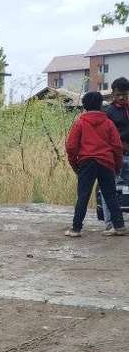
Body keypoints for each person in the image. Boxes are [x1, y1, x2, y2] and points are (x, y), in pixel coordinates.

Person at [64, 91, 125, 237]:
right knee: (110, 195)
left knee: (83, 196)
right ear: (100, 105)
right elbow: (117, 147)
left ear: (84, 106)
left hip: (86, 163)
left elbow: (71, 147)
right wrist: (117, 166)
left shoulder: (80, 123)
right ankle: (119, 226)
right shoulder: (109, 123)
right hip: (106, 162)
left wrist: (75, 165)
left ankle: (76, 229)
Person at [101, 76, 129, 229]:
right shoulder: (108, 112)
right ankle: (110, 223)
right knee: (110, 189)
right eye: (118, 94)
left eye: (125, 94)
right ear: (113, 94)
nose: (121, 98)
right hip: (115, 157)